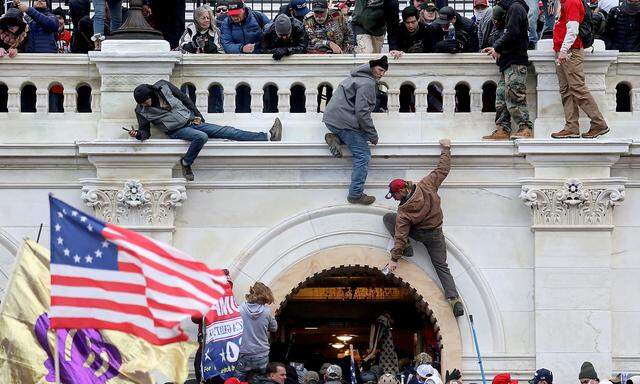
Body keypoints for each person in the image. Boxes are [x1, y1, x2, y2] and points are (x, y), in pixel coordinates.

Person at [131, 81, 282, 181]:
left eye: (145, 101)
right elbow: (145, 133)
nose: (145, 104)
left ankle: (267, 136)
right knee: (201, 137)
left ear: (150, 94)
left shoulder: (163, 86)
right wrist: (138, 135)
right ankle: (186, 162)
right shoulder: (142, 110)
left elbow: (184, 98)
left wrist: (198, 115)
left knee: (228, 131)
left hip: (192, 121)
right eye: (142, 103)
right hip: (177, 130)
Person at [382, 139, 464, 317]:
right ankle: (454, 299)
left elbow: (400, 235)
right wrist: (446, 149)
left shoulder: (403, 212)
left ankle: (408, 249)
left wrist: (394, 259)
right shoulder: (426, 185)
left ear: (401, 191)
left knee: (389, 218)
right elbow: (442, 170)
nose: (394, 198)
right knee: (441, 266)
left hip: (419, 234)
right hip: (436, 234)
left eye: (394, 195)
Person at [323, 56, 387, 205]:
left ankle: (336, 138)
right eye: (380, 70)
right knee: (363, 155)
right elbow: (362, 112)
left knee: (360, 135)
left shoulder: (356, 76)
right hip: (344, 121)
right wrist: (373, 135)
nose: (382, 74)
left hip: (332, 120)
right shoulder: (367, 83)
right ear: (372, 68)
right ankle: (355, 194)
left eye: (384, 71)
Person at [551, 0, 609, 138]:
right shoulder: (566, 2)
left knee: (577, 88)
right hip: (565, 51)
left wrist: (564, 50)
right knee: (566, 90)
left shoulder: (571, 1)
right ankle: (571, 127)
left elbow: (573, 29)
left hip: (569, 51)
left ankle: (598, 123)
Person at [482, 0, 534, 140]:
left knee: (514, 96)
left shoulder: (516, 8)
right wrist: (496, 48)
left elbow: (512, 33)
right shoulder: (511, 8)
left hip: (515, 62)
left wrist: (497, 47)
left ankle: (525, 128)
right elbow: (509, 35)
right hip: (508, 63)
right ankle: (502, 129)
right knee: (501, 97)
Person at [237, 282, 278, 379]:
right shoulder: (267, 312)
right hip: (261, 354)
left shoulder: (239, 309)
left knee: (239, 381)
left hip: (243, 353)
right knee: (260, 380)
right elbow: (274, 328)